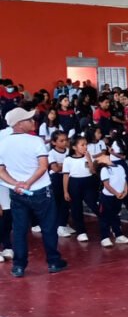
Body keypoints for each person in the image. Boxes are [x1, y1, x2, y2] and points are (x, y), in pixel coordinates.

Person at [0, 107, 67, 277]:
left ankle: (19, 266)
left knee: (20, 229)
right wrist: (29, 183)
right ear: (20, 124)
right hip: (40, 191)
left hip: (17, 192)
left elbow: (1, 170)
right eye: (29, 120)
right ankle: (53, 261)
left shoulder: (3, 143)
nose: (33, 122)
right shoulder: (35, 141)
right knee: (48, 227)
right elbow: (43, 166)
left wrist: (16, 184)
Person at [96, 153, 128, 248]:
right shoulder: (104, 169)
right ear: (100, 162)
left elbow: (124, 180)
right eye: (100, 157)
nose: (103, 155)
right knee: (105, 217)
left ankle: (118, 235)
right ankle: (105, 237)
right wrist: (116, 193)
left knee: (115, 216)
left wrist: (125, 191)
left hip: (118, 197)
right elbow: (106, 185)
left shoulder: (120, 167)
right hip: (107, 197)